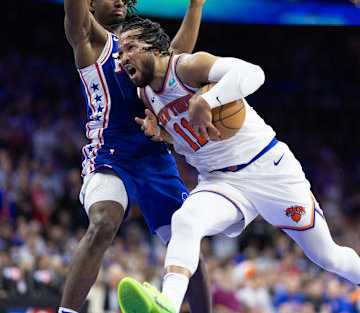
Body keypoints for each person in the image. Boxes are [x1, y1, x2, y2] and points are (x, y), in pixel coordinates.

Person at [116, 17, 360, 313]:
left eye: (130, 47)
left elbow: (253, 73)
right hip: (221, 182)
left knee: (327, 257)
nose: (123, 56)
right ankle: (167, 304)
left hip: (268, 169)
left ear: (155, 48)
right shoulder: (146, 96)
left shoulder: (187, 67)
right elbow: (188, 140)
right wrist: (162, 135)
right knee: (186, 221)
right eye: (119, 52)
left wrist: (208, 100)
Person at [60, 0, 215, 312]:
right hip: (112, 155)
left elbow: (177, 59)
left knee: (186, 246)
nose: (119, 1)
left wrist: (195, 4)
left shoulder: (137, 49)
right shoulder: (86, 40)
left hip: (156, 157)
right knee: (103, 223)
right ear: (89, 4)